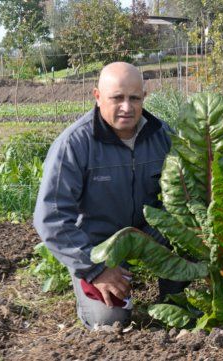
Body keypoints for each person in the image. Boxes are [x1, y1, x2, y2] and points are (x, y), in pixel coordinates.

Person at [33, 62, 183, 329]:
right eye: (117, 98)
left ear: (144, 98)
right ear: (97, 96)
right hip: (97, 246)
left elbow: (187, 194)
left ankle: (175, 302)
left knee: (189, 251)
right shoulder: (73, 145)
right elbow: (52, 218)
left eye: (134, 98)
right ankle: (92, 291)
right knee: (111, 321)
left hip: (150, 234)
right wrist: (95, 270)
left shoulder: (163, 136)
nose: (127, 107)